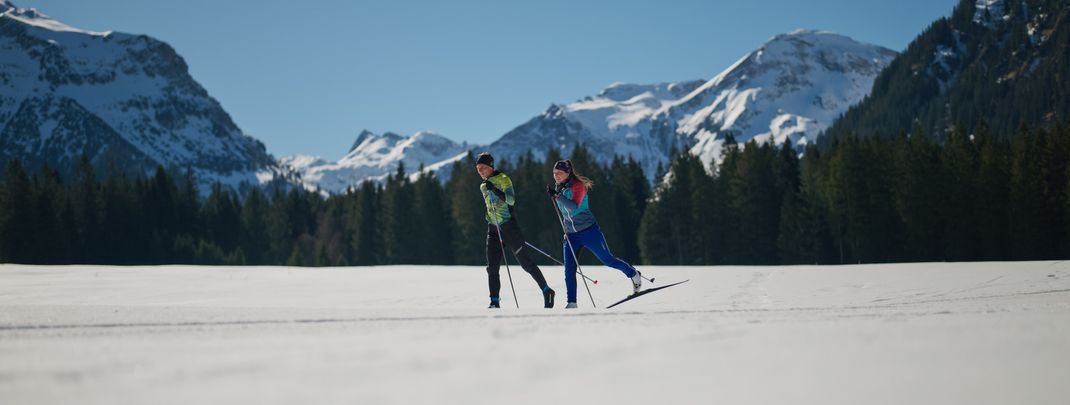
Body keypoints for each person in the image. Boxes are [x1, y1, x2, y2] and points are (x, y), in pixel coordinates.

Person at [547, 159, 642, 308]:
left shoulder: (578, 186)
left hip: (589, 232)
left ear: (568, 172)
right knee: (569, 270)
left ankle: (633, 274)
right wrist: (566, 229)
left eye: (559, 173)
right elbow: (565, 214)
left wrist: (558, 196)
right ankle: (571, 303)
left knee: (608, 260)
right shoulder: (559, 187)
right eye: (554, 173)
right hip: (571, 236)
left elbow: (573, 206)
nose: (556, 175)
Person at [476, 152, 555, 309]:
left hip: (509, 228)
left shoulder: (504, 179)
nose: (480, 171)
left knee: (526, 264)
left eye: (483, 167)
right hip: (493, 230)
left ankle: (547, 290)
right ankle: (494, 302)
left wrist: (495, 190)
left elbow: (511, 200)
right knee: (492, 267)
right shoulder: (482, 186)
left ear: (491, 166)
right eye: (478, 169)